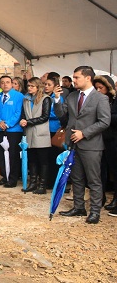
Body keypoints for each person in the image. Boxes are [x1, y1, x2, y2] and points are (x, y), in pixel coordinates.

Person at [55, 66, 110, 224]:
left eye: (77, 77)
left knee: (93, 180)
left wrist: (84, 133)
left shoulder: (100, 98)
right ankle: (79, 207)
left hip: (91, 145)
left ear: (88, 78)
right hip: (73, 144)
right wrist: (57, 99)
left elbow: (104, 121)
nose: (74, 80)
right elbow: (62, 116)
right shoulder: (72, 96)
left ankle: (95, 211)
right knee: (76, 178)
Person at [19, 78, 52, 194]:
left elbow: (45, 116)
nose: (29, 88)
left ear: (38, 87)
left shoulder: (45, 99)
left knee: (43, 161)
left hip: (41, 133)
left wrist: (29, 122)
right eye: (28, 86)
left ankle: (42, 185)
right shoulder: (26, 99)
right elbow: (23, 114)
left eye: (32, 86)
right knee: (32, 160)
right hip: (29, 133)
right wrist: (23, 120)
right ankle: (33, 183)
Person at [0, 76, 24, 187]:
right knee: (1, 155)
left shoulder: (19, 96)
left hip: (14, 130)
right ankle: (4, 177)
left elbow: (18, 113)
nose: (5, 84)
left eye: (8, 82)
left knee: (13, 155)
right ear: (0, 85)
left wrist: (8, 124)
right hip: (0, 129)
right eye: (2, 83)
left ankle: (13, 179)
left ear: (11, 84)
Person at [91, 75, 117, 212]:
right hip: (99, 139)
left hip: (112, 139)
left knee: (114, 169)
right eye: (96, 88)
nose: (99, 90)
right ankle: (100, 197)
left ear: (108, 88)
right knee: (100, 171)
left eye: (101, 88)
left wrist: (105, 115)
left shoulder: (114, 100)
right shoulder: (96, 100)